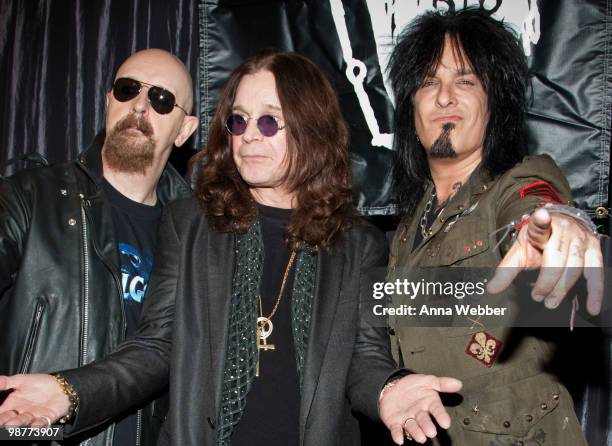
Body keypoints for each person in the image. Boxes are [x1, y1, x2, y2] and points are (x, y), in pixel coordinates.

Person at [0, 51, 468, 445]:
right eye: (239, 120)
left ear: (310, 129)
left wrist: (389, 391)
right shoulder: (190, 223)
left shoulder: (357, 244)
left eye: (269, 121)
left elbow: (365, 359)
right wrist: (71, 392)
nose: (248, 135)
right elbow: (155, 348)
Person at [385, 8, 603, 445]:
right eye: (429, 82)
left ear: (494, 102)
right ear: (412, 108)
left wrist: (560, 224)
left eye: (464, 81)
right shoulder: (408, 229)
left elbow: (535, 201)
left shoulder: (516, 181)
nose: (444, 97)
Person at [0, 48, 198, 445]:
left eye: (161, 99)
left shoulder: (197, 238)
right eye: (127, 90)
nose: (140, 105)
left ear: (184, 130)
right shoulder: (30, 196)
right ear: (108, 102)